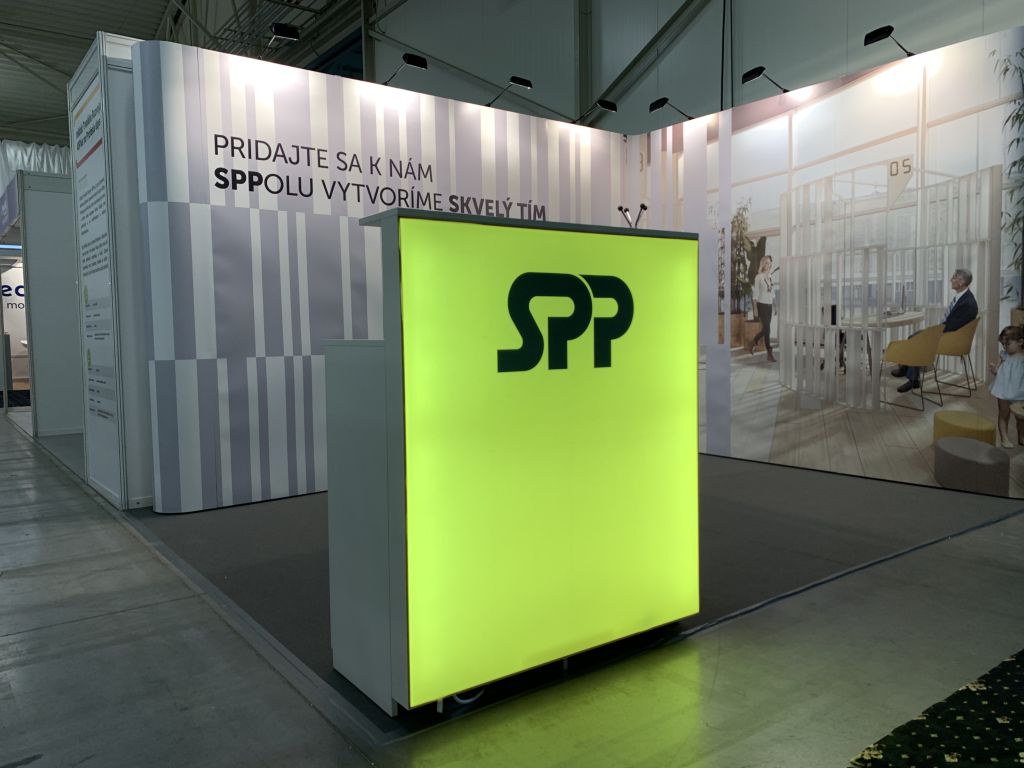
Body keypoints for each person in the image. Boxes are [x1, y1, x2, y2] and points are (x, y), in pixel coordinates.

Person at [892, 268, 978, 393]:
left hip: (951, 339)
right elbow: (952, 324)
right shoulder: (964, 298)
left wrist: (933, 331)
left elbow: (952, 326)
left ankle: (912, 377)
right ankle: (908, 372)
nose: (951, 280)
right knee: (914, 337)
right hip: (949, 333)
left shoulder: (967, 303)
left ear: (961, 282)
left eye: (954, 277)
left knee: (915, 338)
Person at [988, 325, 1024, 448]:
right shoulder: (1004, 355)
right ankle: (1004, 438)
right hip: (1003, 389)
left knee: (1021, 417)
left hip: (1020, 391)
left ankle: (1021, 436)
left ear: (1020, 342)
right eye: (1003, 344)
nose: (1004, 347)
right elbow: (997, 371)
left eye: (1007, 344)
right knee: (1004, 414)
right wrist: (994, 369)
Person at [748, 255, 775, 362]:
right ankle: (769, 353)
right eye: (766, 262)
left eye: (769, 263)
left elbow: (772, 293)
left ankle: (754, 342)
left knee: (766, 329)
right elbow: (755, 295)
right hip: (762, 306)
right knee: (767, 329)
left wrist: (775, 306)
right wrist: (755, 309)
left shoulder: (770, 277)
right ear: (762, 264)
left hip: (769, 306)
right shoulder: (758, 277)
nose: (768, 264)